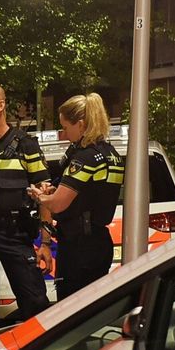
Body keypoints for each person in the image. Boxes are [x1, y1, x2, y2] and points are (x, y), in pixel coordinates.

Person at [0, 83, 51, 329]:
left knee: (35, 302)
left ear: (1, 105)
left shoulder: (25, 145)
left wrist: (45, 242)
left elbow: (45, 194)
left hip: (14, 235)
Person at [29, 93, 124, 299]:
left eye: (65, 127)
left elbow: (59, 204)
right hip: (98, 241)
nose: (64, 133)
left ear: (80, 124)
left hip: (79, 246)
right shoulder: (111, 153)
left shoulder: (86, 158)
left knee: (71, 308)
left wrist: (40, 196)